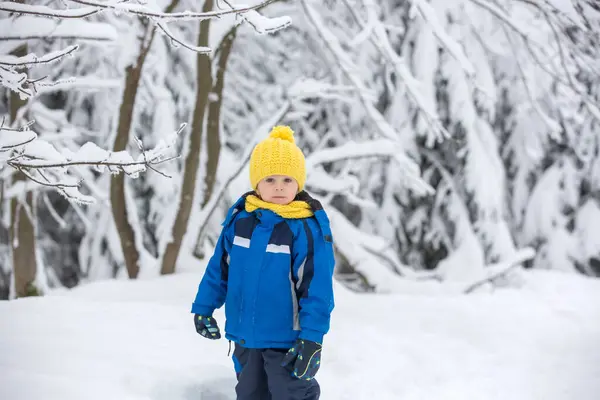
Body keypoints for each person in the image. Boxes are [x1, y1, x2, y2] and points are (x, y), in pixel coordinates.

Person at [191, 125, 335, 400]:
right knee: (250, 393)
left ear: (298, 183)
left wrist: (313, 337)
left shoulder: (305, 227)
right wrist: (204, 308)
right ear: (256, 183)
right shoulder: (240, 220)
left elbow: (317, 288)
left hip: (288, 340)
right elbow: (219, 269)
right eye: (269, 179)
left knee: (290, 394)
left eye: (286, 179)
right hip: (245, 336)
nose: (279, 186)